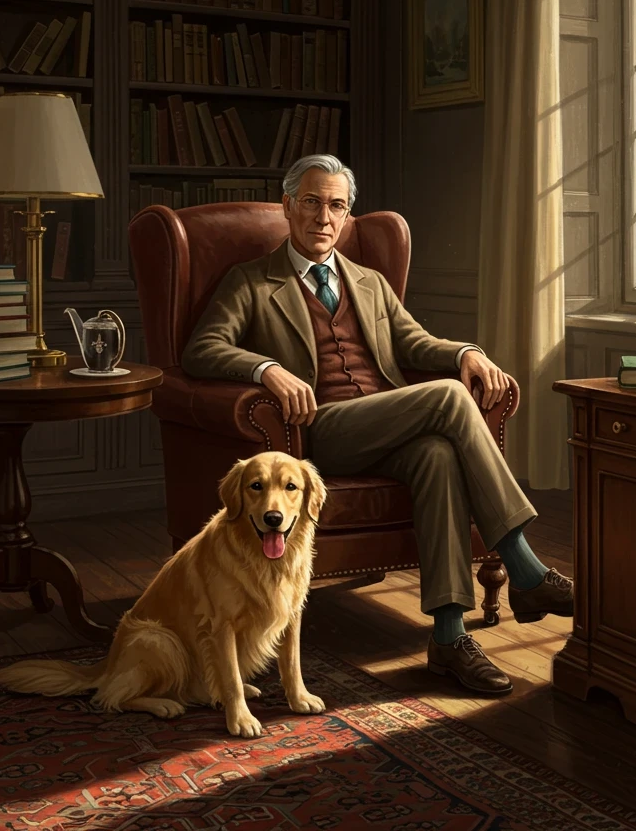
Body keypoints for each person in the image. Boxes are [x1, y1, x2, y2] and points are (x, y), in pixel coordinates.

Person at [181, 153, 573, 695]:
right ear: (289, 207)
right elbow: (202, 349)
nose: (324, 217)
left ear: (346, 217)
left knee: (436, 452)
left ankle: (449, 636)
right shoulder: (250, 281)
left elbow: (413, 343)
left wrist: (466, 351)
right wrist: (267, 369)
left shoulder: (368, 281)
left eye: (336, 206)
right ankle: (525, 569)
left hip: (385, 423)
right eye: (313, 203)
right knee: (449, 399)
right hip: (321, 431)